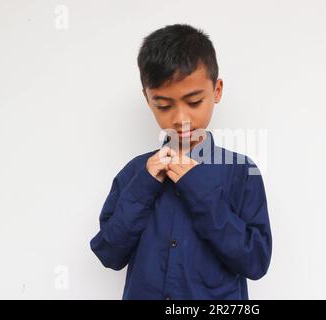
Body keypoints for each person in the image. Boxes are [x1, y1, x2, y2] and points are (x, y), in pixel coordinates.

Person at [90, 23, 272, 300]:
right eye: (163, 105)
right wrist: (143, 186)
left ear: (217, 90)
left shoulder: (241, 173)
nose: (181, 118)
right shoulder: (134, 174)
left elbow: (255, 262)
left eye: (194, 101)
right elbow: (109, 254)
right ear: (148, 100)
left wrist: (196, 187)